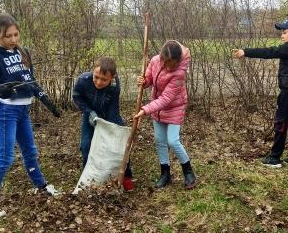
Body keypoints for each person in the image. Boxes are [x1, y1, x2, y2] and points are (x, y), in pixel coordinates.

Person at [0, 13, 61, 221]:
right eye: (7, 36)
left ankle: (40, 185)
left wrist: (45, 99)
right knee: (5, 158)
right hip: (5, 111)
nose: (13, 40)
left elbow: (30, 81)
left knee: (30, 151)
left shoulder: (24, 52)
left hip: (23, 110)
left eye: (16, 34)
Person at [233, 19, 288, 168]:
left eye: (285, 32)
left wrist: (246, 51)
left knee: (281, 123)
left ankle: (275, 158)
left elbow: (270, 52)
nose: (282, 35)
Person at [135, 40, 196, 189]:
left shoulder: (179, 73)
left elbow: (166, 99)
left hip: (174, 107)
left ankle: (188, 172)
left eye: (173, 63)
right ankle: (165, 174)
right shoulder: (155, 61)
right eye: (166, 62)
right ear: (161, 58)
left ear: (178, 60)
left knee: (173, 141)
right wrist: (143, 81)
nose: (169, 66)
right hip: (157, 107)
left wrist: (145, 110)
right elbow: (149, 79)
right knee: (159, 140)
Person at [73, 57, 134, 191]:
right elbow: (77, 97)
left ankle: (126, 175)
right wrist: (90, 112)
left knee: (122, 145)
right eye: (96, 77)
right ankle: (88, 178)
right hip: (90, 115)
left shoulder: (114, 86)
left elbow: (113, 109)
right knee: (86, 146)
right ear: (92, 72)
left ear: (112, 78)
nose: (99, 82)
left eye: (104, 79)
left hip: (109, 115)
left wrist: (110, 128)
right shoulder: (83, 80)